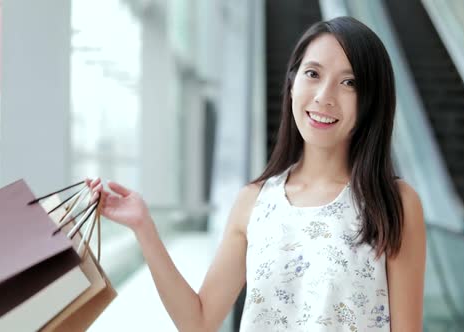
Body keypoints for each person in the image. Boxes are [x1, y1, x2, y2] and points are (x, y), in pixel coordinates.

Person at [87, 16, 425, 332]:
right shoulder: (255, 200)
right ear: (292, 84)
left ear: (371, 100)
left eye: (348, 82)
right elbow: (199, 322)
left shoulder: (393, 203)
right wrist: (143, 226)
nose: (324, 97)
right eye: (313, 74)